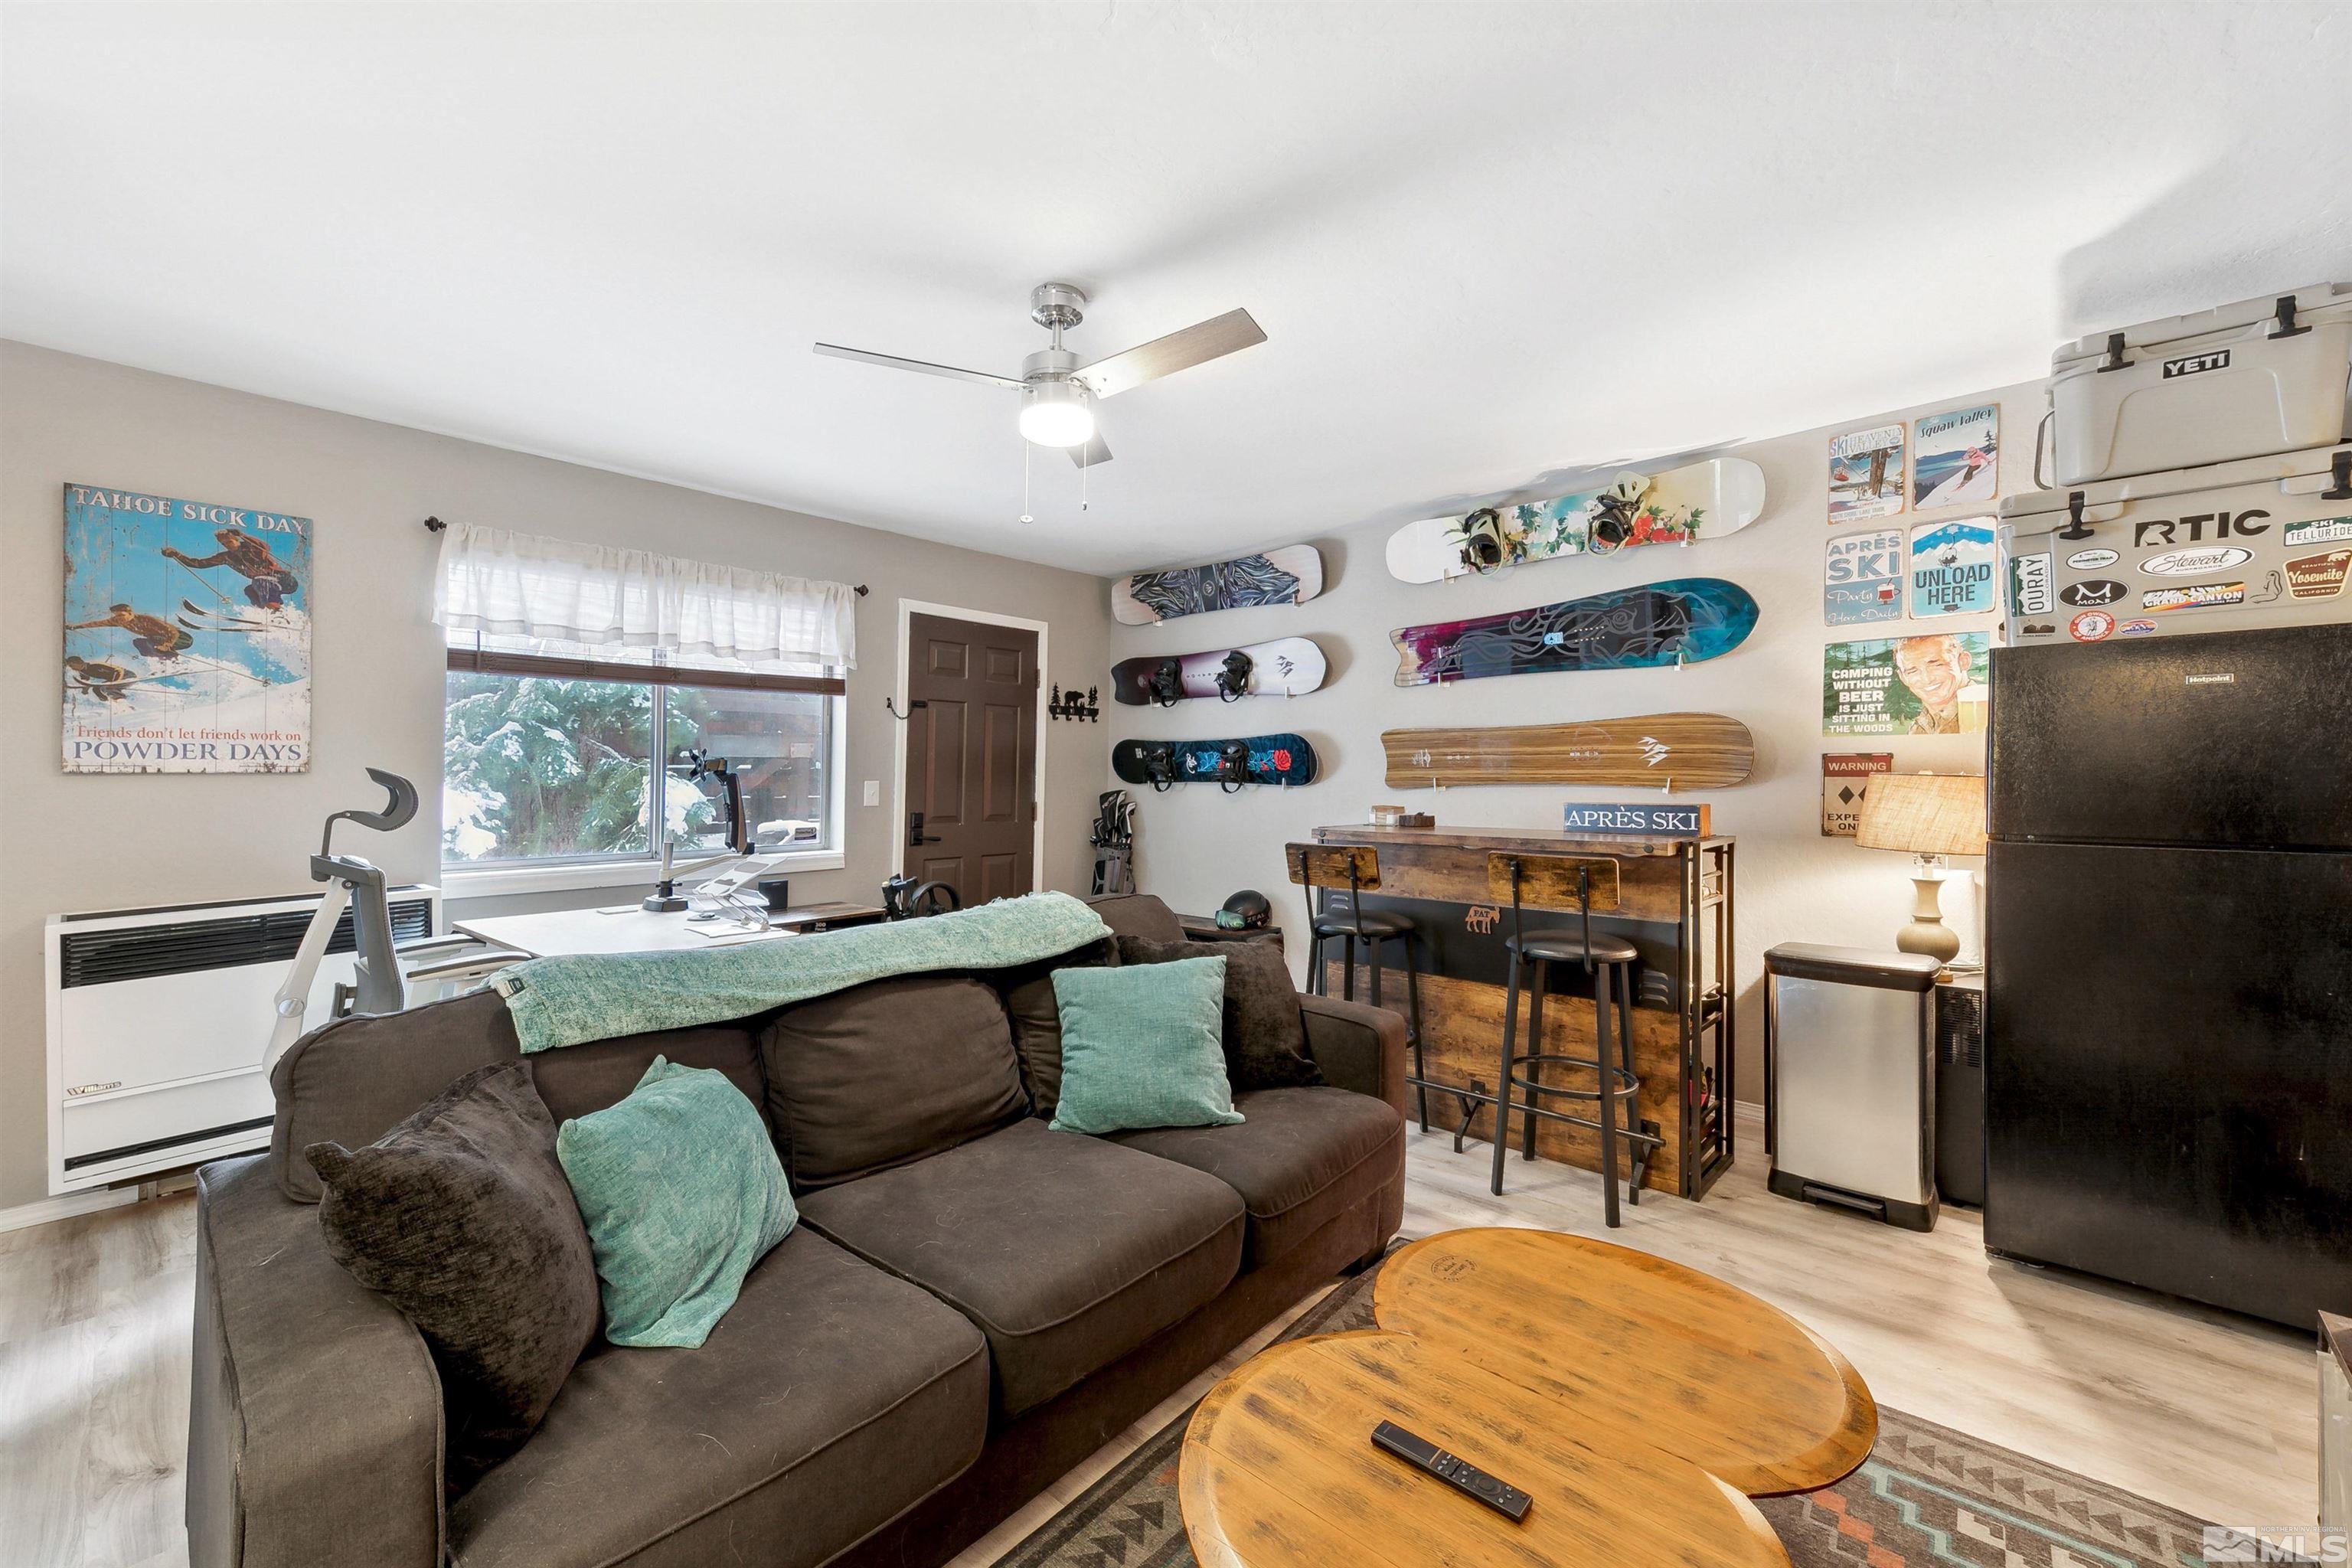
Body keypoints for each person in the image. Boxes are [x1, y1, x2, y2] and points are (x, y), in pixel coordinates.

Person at [163, 527, 302, 609]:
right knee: (250, 590)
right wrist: (177, 555)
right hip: (267, 584)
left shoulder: (251, 548)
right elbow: (199, 563)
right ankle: (268, 613)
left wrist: (243, 535)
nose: (228, 545)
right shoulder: (226, 557)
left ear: (236, 541)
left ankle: (273, 607)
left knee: (258, 581)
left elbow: (263, 546)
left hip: (285, 580)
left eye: (230, 542)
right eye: (224, 544)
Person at [1893, 633, 1985, 734]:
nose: (1927, 679)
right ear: (1903, 678)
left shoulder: (1987, 714)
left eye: (1937, 665)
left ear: (1963, 662)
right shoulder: (1917, 728)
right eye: (1912, 671)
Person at [66, 603, 190, 661]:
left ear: (131, 613)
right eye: (116, 616)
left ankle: (171, 657)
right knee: (139, 643)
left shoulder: (146, 619)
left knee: (149, 641)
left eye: (122, 615)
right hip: (158, 641)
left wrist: (167, 644)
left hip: (180, 638)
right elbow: (96, 624)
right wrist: (76, 627)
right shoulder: (119, 622)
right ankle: (164, 658)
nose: (119, 618)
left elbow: (173, 632)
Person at [64, 655, 134, 702]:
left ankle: (122, 703)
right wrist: (85, 689)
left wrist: (114, 683)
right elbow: (86, 682)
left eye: (72, 665)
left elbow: (119, 670)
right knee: (96, 689)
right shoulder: (82, 671)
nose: (72, 668)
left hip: (126, 675)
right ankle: (109, 703)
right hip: (113, 679)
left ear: (78, 663)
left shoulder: (95, 665)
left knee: (107, 688)